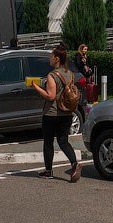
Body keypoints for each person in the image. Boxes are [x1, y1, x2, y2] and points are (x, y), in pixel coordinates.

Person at [31, 46, 80, 182]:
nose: (50, 59)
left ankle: (48, 171)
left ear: (57, 59)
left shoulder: (52, 75)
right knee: (63, 141)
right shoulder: (70, 74)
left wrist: (36, 87)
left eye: (51, 56)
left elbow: (51, 96)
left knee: (48, 143)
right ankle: (74, 164)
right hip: (67, 113)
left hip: (52, 114)